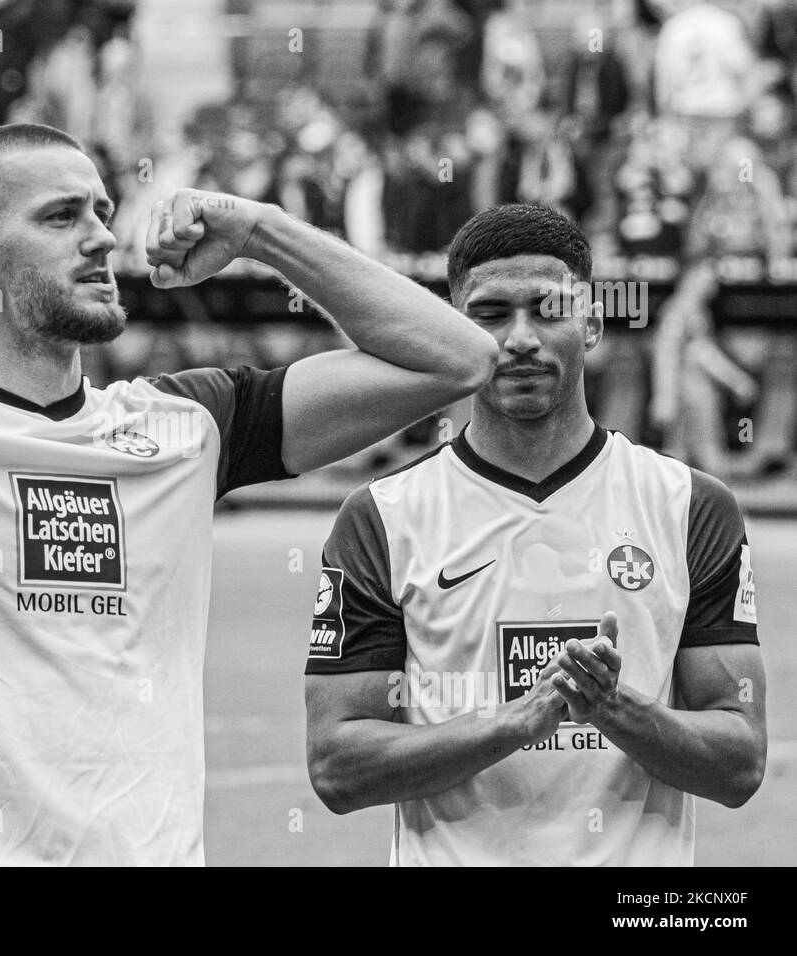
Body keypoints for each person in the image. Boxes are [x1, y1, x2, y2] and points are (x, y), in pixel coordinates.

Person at [0, 119, 497, 865]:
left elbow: (456, 359)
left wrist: (261, 231)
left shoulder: (187, 425)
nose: (102, 239)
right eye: (62, 217)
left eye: (102, 211)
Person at [304, 203, 767, 866]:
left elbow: (741, 762)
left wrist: (615, 711)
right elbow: (337, 768)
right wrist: (517, 721)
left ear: (593, 321)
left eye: (548, 308)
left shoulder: (691, 506)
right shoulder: (382, 515)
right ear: (449, 332)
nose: (519, 338)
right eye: (489, 315)